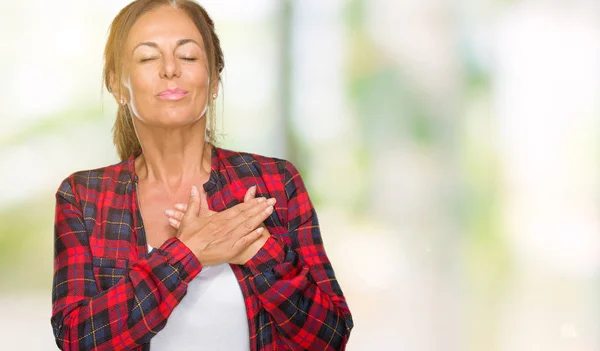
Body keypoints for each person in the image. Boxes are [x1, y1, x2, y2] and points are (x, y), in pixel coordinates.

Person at [50, 0, 353, 350]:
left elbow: (331, 337)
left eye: (189, 57)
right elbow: (77, 338)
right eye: (148, 58)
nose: (170, 69)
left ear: (213, 81)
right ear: (118, 85)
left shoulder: (275, 181)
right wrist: (187, 253)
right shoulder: (83, 196)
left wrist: (258, 249)